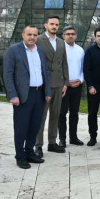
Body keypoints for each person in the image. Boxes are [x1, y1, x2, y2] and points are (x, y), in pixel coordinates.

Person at [3, 26, 51, 169]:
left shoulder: (40, 51)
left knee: (35, 126)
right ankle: (20, 157)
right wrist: (12, 95)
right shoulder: (13, 50)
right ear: (23, 35)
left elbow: (45, 72)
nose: (32, 37)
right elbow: (7, 74)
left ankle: (30, 152)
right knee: (21, 127)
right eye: (29, 34)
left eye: (35, 35)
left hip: (39, 93)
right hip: (23, 95)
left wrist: (47, 92)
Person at [35, 16, 69, 157]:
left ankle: (52, 142)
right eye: (52, 24)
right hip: (44, 84)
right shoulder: (38, 40)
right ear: (46, 25)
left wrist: (65, 83)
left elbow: (64, 63)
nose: (54, 26)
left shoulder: (61, 42)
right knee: (41, 116)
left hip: (59, 84)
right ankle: (38, 146)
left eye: (56, 24)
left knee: (55, 114)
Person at [83, 27, 100, 147]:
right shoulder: (90, 51)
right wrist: (90, 85)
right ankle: (93, 137)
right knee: (92, 113)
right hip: (94, 87)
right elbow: (86, 69)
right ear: (95, 37)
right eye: (98, 36)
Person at [58, 26, 85, 146]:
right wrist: (66, 82)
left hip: (77, 86)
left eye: (73, 34)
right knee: (62, 113)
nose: (70, 36)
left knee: (74, 113)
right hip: (64, 86)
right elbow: (57, 69)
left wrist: (80, 80)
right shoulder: (59, 49)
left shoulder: (80, 50)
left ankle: (73, 137)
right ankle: (62, 139)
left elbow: (83, 68)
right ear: (63, 36)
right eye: (68, 34)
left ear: (76, 36)